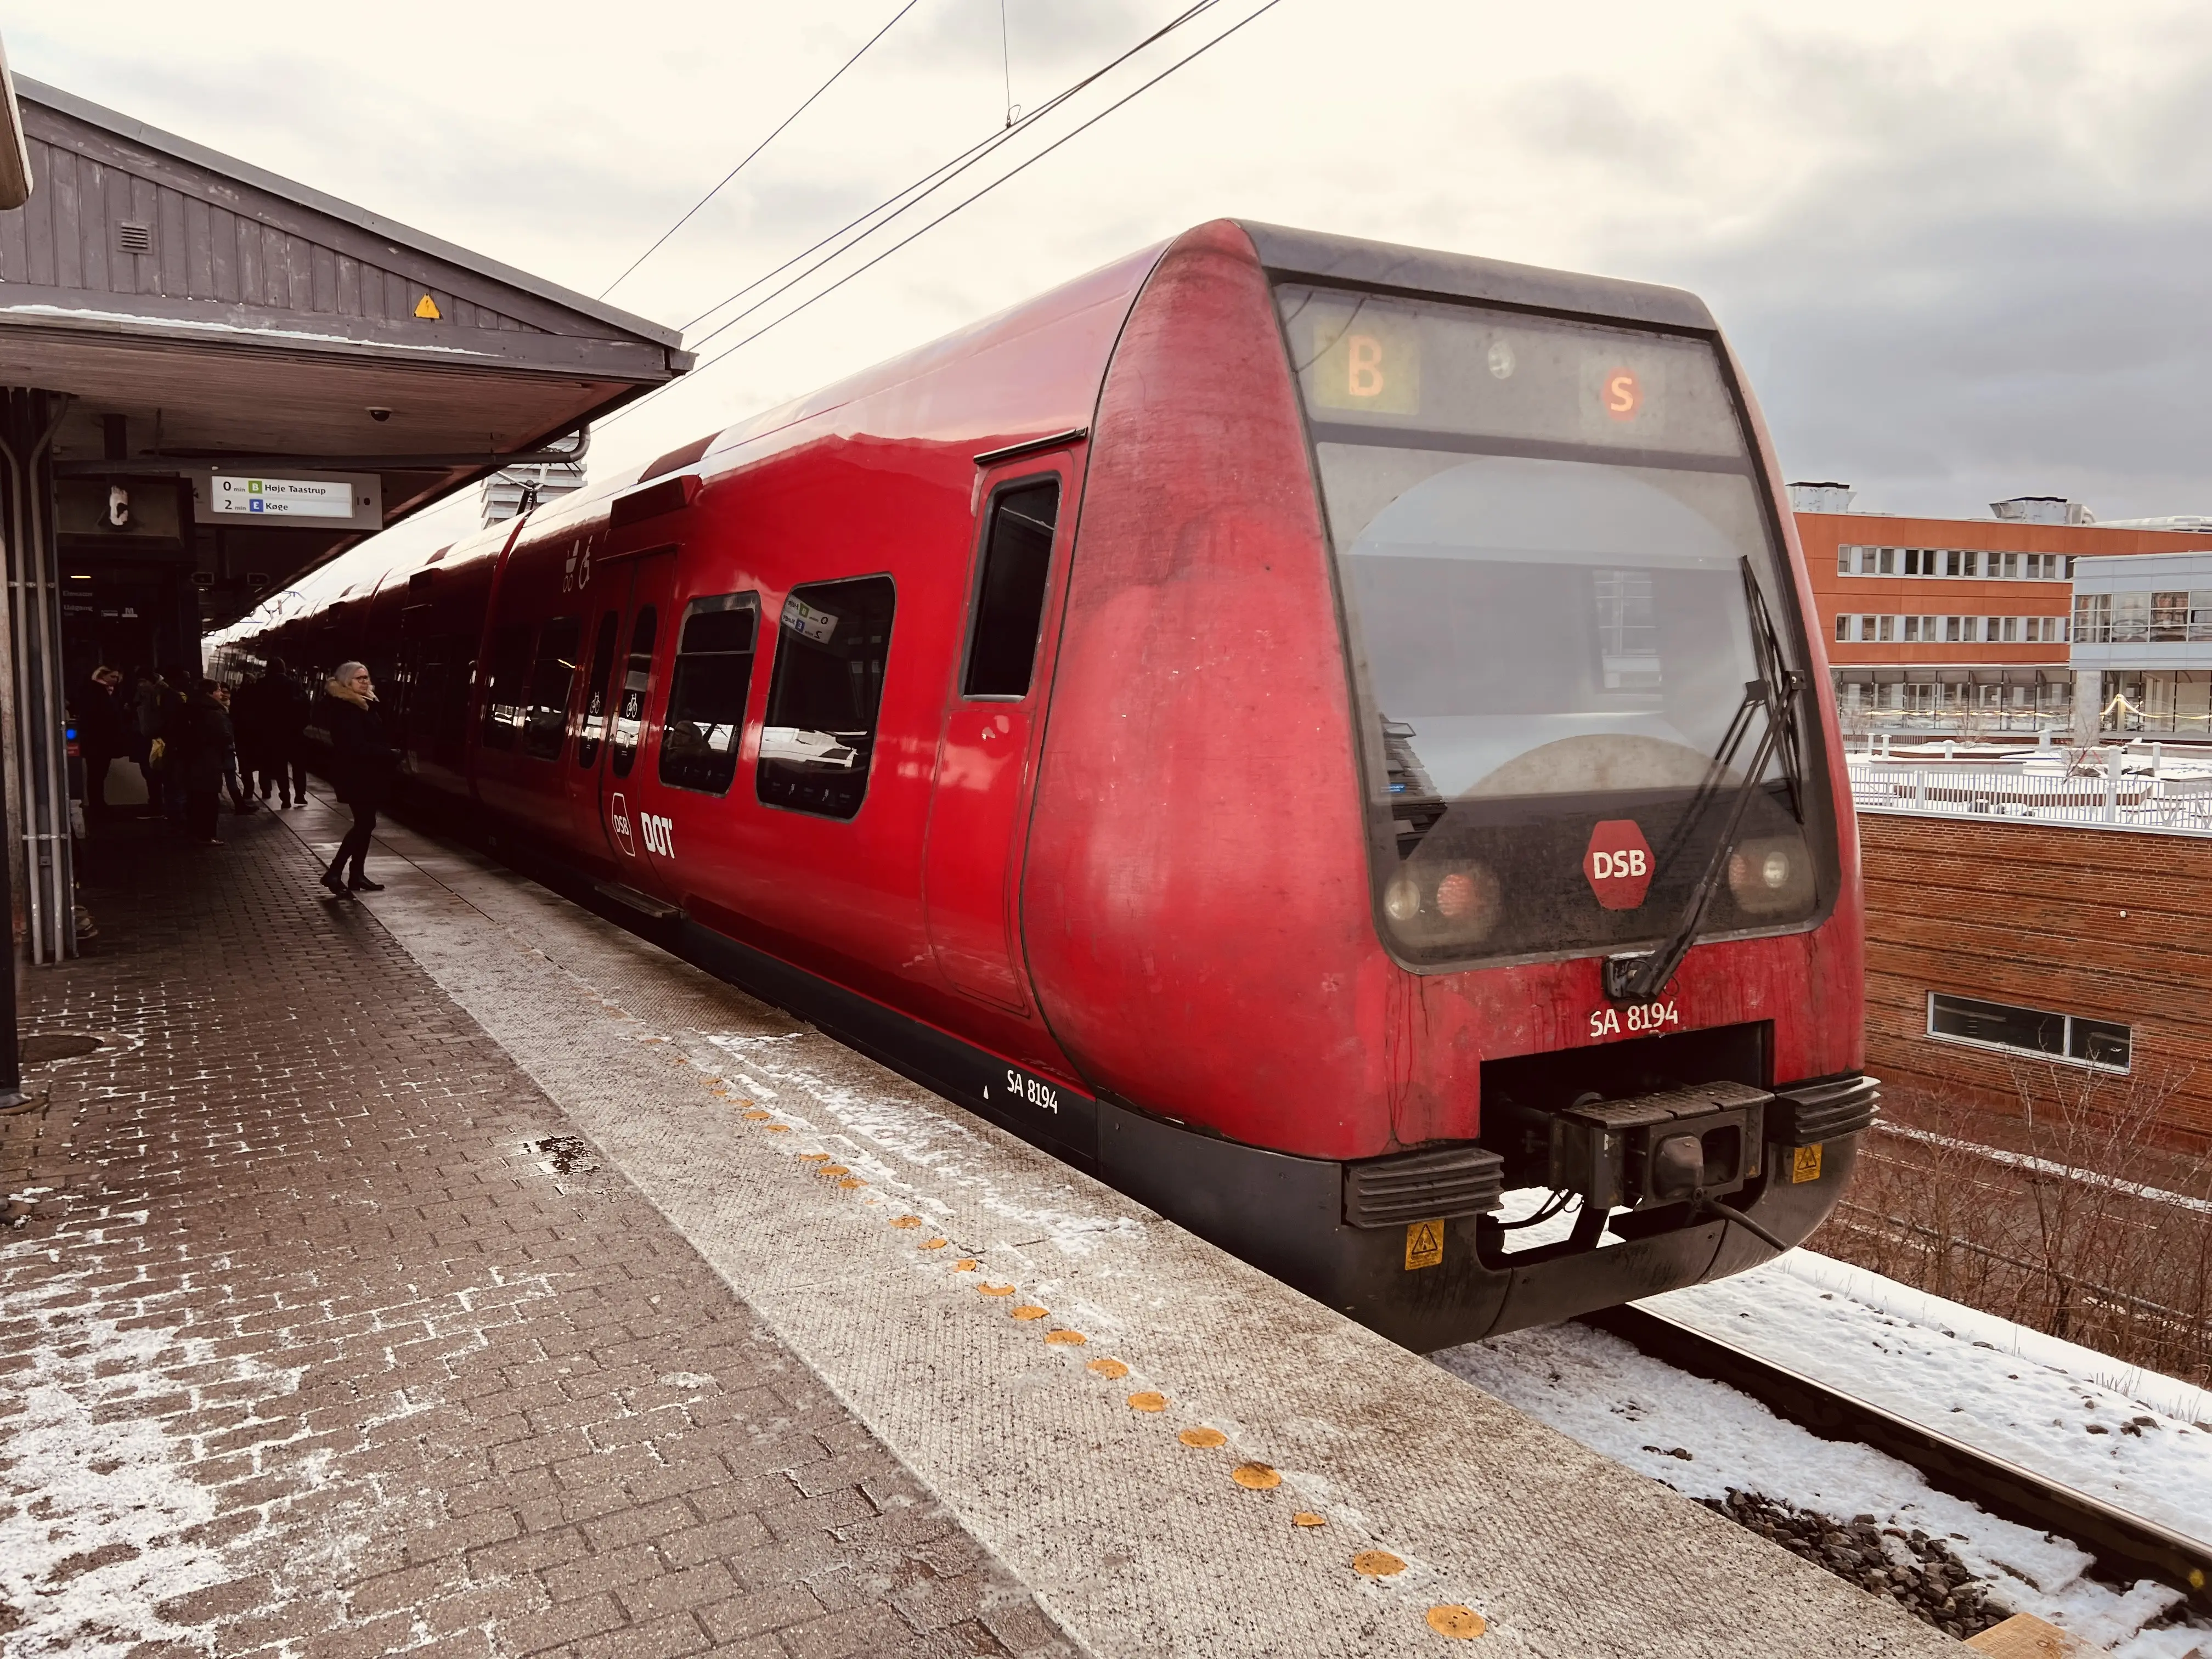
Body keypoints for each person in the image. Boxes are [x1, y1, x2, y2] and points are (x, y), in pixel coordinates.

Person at [314, 661, 396, 895]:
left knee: (367, 823)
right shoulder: (345, 708)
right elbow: (354, 746)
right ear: (346, 681)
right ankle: (334, 872)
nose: (366, 682)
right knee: (365, 823)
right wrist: (388, 754)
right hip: (355, 774)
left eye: (367, 677)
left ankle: (356, 875)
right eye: (360, 678)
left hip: (366, 773)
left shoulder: (364, 704)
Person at [172, 679, 233, 846]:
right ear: (210, 693)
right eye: (219, 690)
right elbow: (224, 736)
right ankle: (207, 835)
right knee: (210, 800)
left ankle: (193, 832)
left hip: (191, 761)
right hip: (209, 762)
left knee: (194, 798)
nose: (221, 693)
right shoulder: (213, 712)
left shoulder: (188, 708)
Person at [72, 665, 126, 825]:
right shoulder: (97, 692)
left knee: (97, 774)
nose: (115, 681)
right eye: (113, 677)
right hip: (99, 740)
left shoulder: (99, 691)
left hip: (98, 740)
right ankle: (98, 806)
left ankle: (98, 805)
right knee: (97, 774)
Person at [255, 657, 311, 809]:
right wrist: (301, 726)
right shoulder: (293, 684)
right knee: (299, 766)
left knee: (280, 767)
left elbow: (256, 710)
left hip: (272, 734)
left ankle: (285, 797)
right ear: (284, 668)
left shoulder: (261, 685)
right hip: (294, 733)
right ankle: (300, 795)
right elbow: (306, 706)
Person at [211, 684, 254, 814]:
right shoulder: (217, 710)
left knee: (227, 778)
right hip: (224, 749)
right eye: (219, 691)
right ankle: (239, 805)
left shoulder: (218, 708)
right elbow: (224, 732)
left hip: (222, 750)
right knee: (228, 777)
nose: (222, 694)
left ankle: (238, 804)